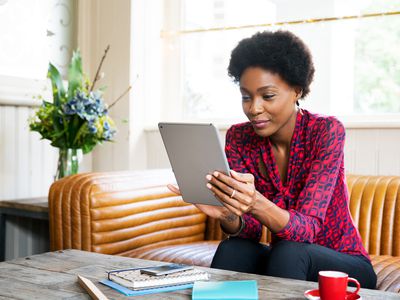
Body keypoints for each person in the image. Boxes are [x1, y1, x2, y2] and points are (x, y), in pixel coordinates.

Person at [168, 30, 377, 288]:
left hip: (344, 264)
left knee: (290, 250)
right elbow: (252, 230)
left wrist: (254, 202)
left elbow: (307, 230)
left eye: (267, 96)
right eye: (246, 96)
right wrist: (229, 215)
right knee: (235, 248)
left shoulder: (326, 131)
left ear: (297, 91)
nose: (254, 109)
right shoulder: (239, 137)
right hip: (287, 260)